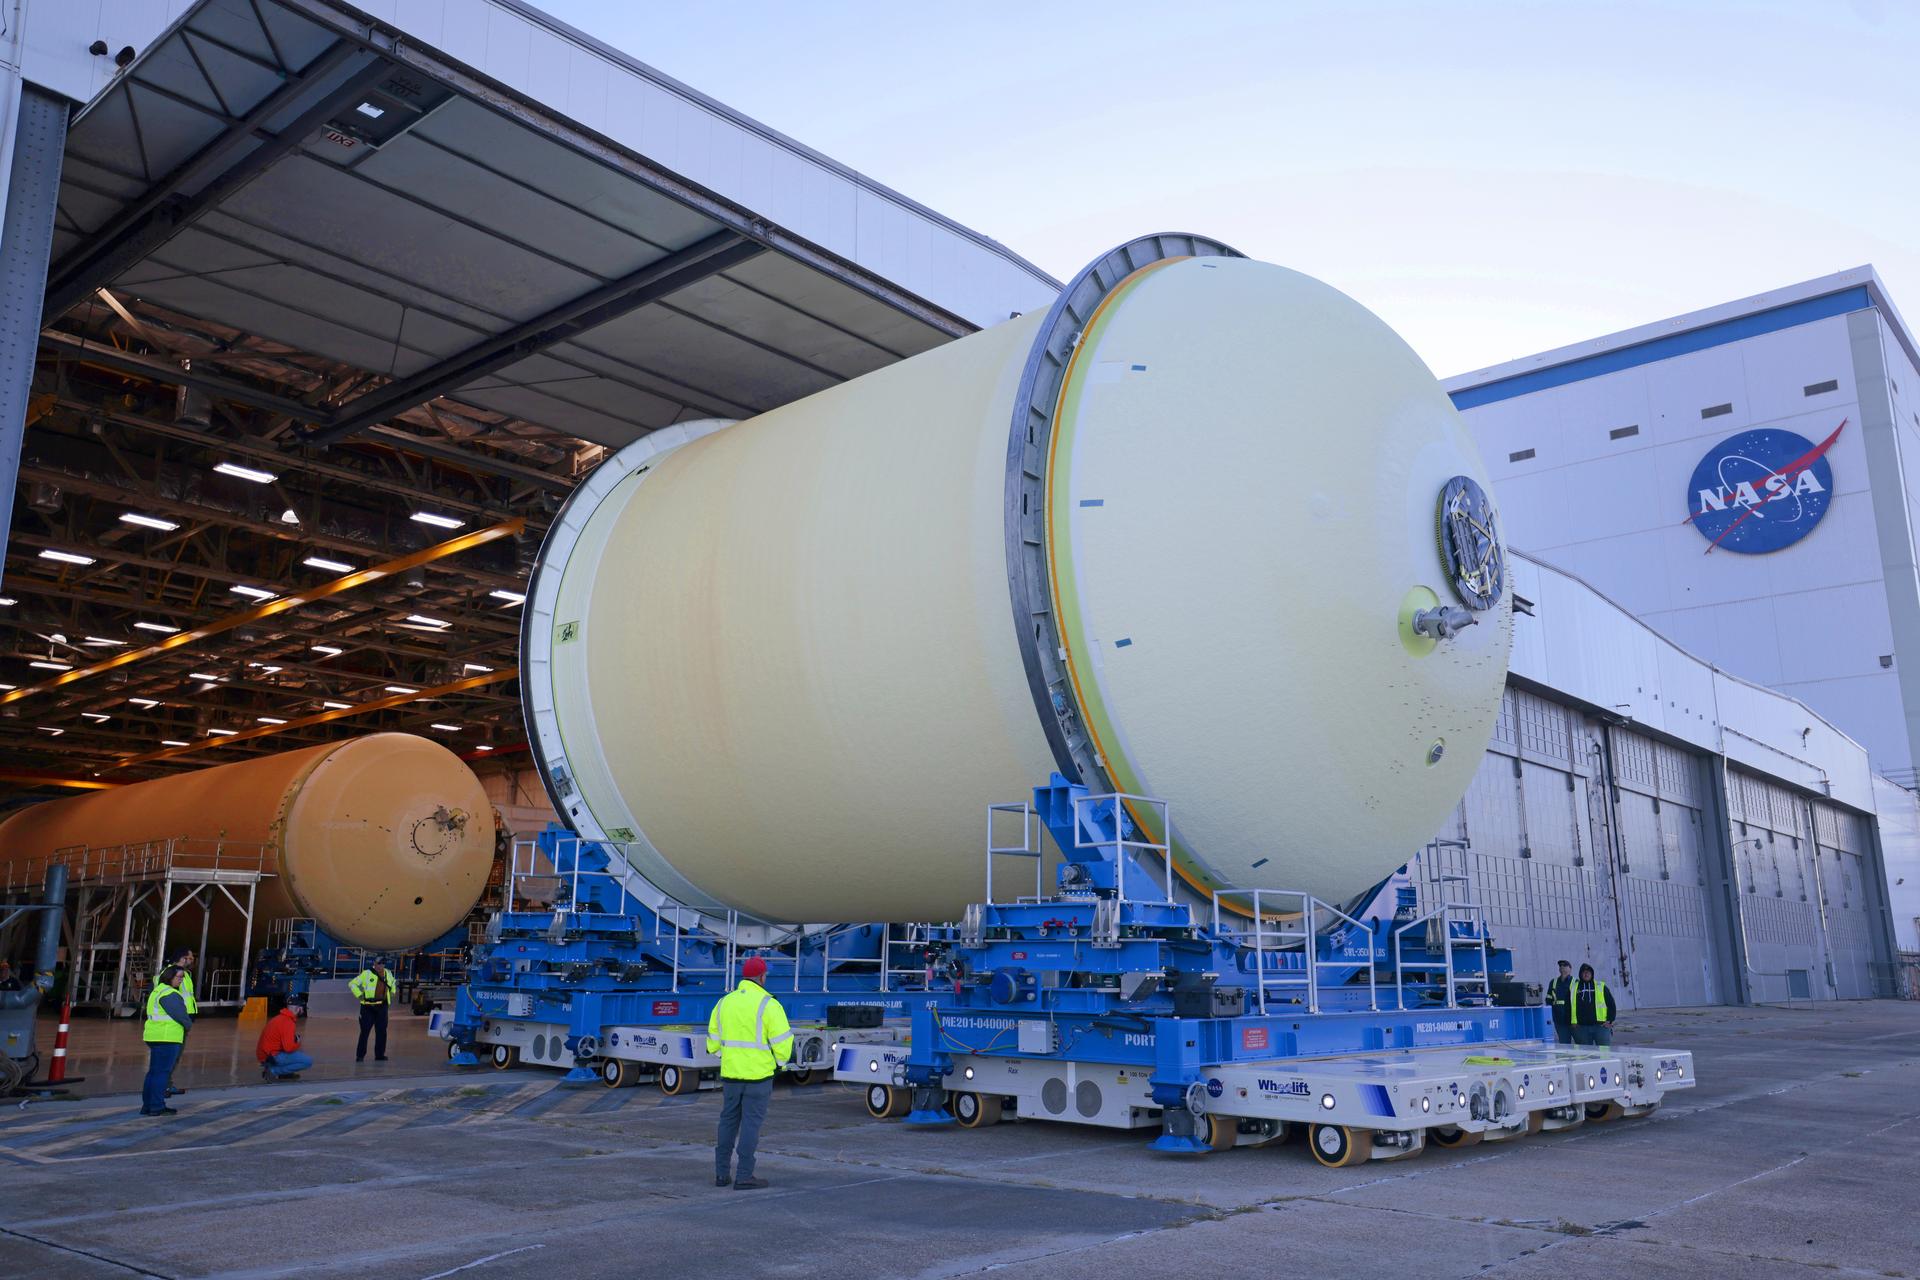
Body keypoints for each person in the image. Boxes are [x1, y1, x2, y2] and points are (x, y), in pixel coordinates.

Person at [707, 956, 792, 1190]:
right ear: (763, 977)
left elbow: (713, 1041)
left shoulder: (724, 1002)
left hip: (731, 1076)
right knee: (750, 1126)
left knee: (727, 1122)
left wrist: (722, 1056)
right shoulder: (769, 1004)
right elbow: (783, 1043)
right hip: (758, 1078)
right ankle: (744, 1175)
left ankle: (721, 1174)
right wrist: (781, 1064)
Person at [141, 965, 192, 1116]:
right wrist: (188, 1025)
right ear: (170, 977)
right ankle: (157, 1106)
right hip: (167, 1037)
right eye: (179, 977)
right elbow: (181, 1016)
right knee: (162, 1073)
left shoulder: (158, 991)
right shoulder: (170, 994)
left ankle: (148, 1106)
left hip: (154, 1036)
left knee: (153, 1073)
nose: (181, 980)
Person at [349, 960, 396, 1062]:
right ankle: (360, 1055)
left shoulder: (388, 973)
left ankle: (379, 1055)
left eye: (382, 963)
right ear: (374, 964)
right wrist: (359, 995)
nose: (380, 965)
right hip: (368, 1007)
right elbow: (352, 984)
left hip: (382, 1007)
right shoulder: (367, 973)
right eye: (378, 963)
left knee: (382, 1032)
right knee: (365, 1032)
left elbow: (393, 983)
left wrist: (392, 992)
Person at [165, 947, 197, 1098]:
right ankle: (165, 1086)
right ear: (183, 958)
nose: (191, 961)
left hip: (182, 1019)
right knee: (171, 1056)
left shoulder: (184, 974)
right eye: (190, 958)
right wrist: (186, 1020)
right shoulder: (172, 974)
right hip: (176, 1021)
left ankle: (167, 1084)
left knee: (175, 1056)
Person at [256, 1001, 313, 1081]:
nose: (303, 1011)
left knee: (293, 1054)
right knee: (307, 1061)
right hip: (271, 1056)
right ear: (297, 1009)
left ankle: (284, 1073)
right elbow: (288, 1048)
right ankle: (273, 1071)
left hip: (265, 1055)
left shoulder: (281, 1018)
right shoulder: (288, 1022)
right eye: (302, 1009)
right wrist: (297, 1042)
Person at [1570, 963, 1617, 1047]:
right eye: (1584, 972)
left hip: (1601, 1027)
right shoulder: (1574, 988)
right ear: (1580, 974)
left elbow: (1611, 1004)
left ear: (1592, 974)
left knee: (1604, 1052)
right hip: (1582, 1028)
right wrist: (1572, 1022)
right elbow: (1568, 1006)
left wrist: (1610, 1020)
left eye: (1588, 972)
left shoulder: (1601, 987)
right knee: (1586, 1054)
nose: (1586, 974)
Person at [1547, 959, 1576, 1045]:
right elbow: (1549, 999)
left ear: (1570, 969)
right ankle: (1567, 1058)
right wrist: (1551, 1015)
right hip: (1560, 1020)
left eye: (1565, 966)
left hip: (1573, 1020)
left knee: (1581, 1044)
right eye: (1560, 966)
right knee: (1564, 1045)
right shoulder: (1553, 982)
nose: (1562, 968)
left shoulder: (1575, 982)